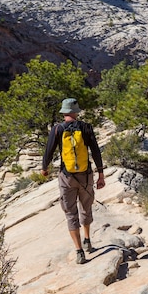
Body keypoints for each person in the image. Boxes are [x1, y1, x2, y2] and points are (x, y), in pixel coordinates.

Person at [41, 98, 106, 264]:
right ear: (76, 112)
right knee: (86, 207)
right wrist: (101, 174)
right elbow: (96, 151)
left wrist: (44, 167)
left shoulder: (58, 129)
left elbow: (49, 150)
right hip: (86, 175)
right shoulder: (85, 127)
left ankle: (79, 252)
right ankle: (87, 239)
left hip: (67, 177)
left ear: (64, 113)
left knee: (70, 213)